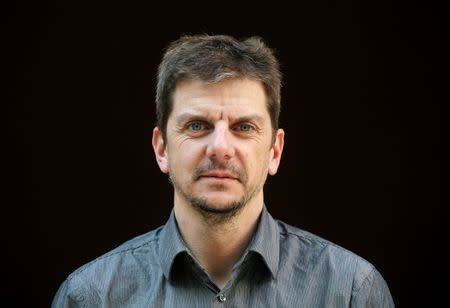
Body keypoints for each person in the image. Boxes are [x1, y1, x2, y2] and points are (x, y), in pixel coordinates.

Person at [52, 34, 395, 307]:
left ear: (275, 151)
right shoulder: (90, 297)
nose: (220, 147)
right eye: (198, 125)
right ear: (161, 149)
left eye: (244, 127)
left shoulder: (352, 293)